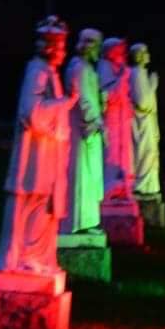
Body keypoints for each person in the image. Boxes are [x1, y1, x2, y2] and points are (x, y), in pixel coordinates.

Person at [0, 15, 74, 275]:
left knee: (46, 205)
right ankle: (27, 257)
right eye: (60, 46)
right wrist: (66, 102)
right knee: (35, 204)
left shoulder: (49, 72)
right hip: (36, 155)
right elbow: (31, 113)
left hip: (49, 151)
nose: (63, 52)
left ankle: (40, 257)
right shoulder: (37, 71)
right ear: (48, 47)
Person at [60, 27, 106, 234]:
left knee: (89, 176)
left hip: (89, 129)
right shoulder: (78, 68)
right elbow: (82, 99)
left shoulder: (86, 68)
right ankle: (76, 222)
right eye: (95, 45)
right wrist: (95, 120)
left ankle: (86, 221)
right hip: (82, 130)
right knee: (80, 175)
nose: (97, 50)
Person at [99, 35, 136, 199]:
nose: (123, 54)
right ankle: (111, 186)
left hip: (122, 119)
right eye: (120, 51)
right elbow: (110, 95)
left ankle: (123, 185)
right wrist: (123, 77)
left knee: (123, 154)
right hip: (112, 119)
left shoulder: (118, 68)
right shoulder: (104, 68)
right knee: (112, 153)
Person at [129, 42, 161, 198]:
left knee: (148, 153)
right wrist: (153, 85)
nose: (148, 55)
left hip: (147, 121)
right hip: (141, 122)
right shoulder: (136, 74)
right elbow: (142, 103)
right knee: (144, 153)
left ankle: (148, 185)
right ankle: (142, 185)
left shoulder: (141, 73)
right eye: (145, 52)